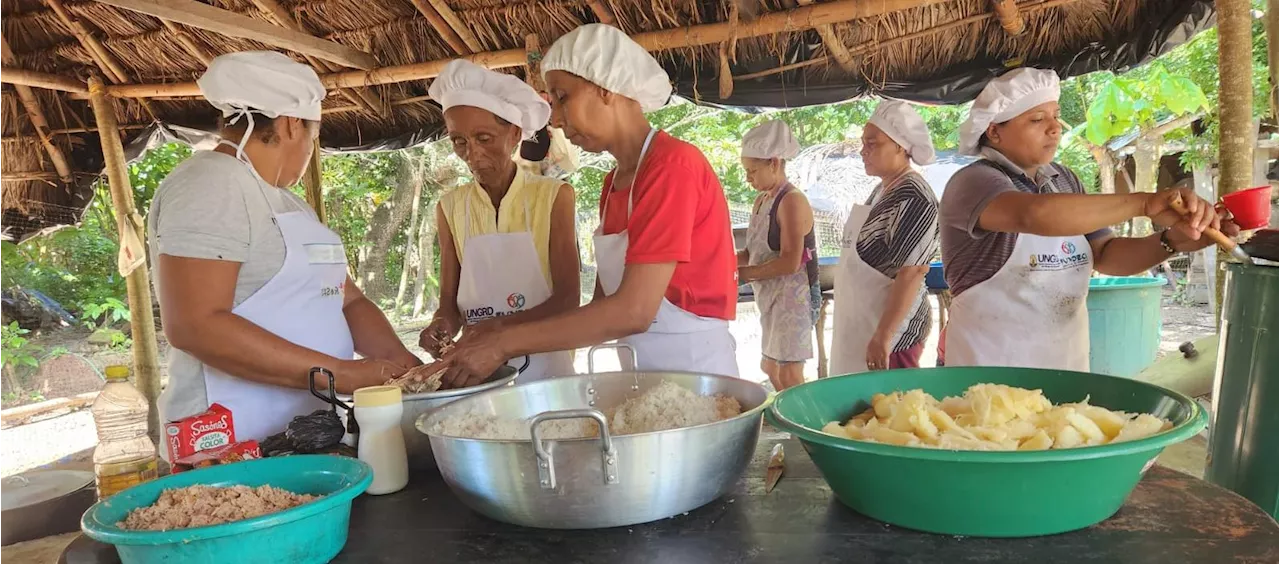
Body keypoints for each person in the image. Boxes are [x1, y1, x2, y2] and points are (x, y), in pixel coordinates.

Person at [439, 24, 739, 386]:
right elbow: (601, 311)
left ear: (606, 88)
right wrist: (492, 332)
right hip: (644, 377)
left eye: (562, 97)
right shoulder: (615, 183)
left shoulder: (672, 166)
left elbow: (633, 311)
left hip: (697, 376)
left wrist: (502, 343)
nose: (558, 121)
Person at [148, 52, 418, 443]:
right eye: (314, 133)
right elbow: (195, 324)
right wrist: (340, 374)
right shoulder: (211, 182)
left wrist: (404, 365)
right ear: (293, 124)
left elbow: (347, 301)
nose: (311, 147)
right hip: (231, 441)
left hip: (300, 432)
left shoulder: (290, 204)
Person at [940, 67, 1236, 370]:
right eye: (1037, 119)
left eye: (1056, 116)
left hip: (1064, 365)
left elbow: (1106, 255)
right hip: (988, 371)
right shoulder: (974, 181)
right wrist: (1144, 203)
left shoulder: (1064, 179)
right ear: (994, 131)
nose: (1055, 128)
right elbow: (1034, 215)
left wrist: (1173, 241)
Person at [418, 60, 579, 382]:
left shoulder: (554, 197)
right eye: (459, 141)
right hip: (477, 373)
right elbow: (449, 306)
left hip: (546, 370)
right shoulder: (451, 207)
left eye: (484, 138)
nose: (472, 154)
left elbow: (566, 300)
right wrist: (441, 326)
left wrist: (494, 330)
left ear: (515, 134)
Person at [831, 100, 940, 374]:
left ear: (901, 147)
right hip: (864, 325)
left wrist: (884, 335)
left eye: (872, 144)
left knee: (890, 410)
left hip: (893, 335)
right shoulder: (883, 190)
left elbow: (912, 273)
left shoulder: (914, 196)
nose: (862, 152)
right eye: (863, 144)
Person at [737, 120, 819, 391]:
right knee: (769, 367)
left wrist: (744, 275)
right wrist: (720, 264)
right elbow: (752, 252)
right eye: (746, 171)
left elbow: (790, 261)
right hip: (771, 296)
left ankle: (806, 425)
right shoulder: (761, 200)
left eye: (753, 171)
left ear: (774, 162)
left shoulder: (792, 200)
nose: (749, 178)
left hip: (795, 297)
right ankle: (793, 417)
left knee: (789, 374)